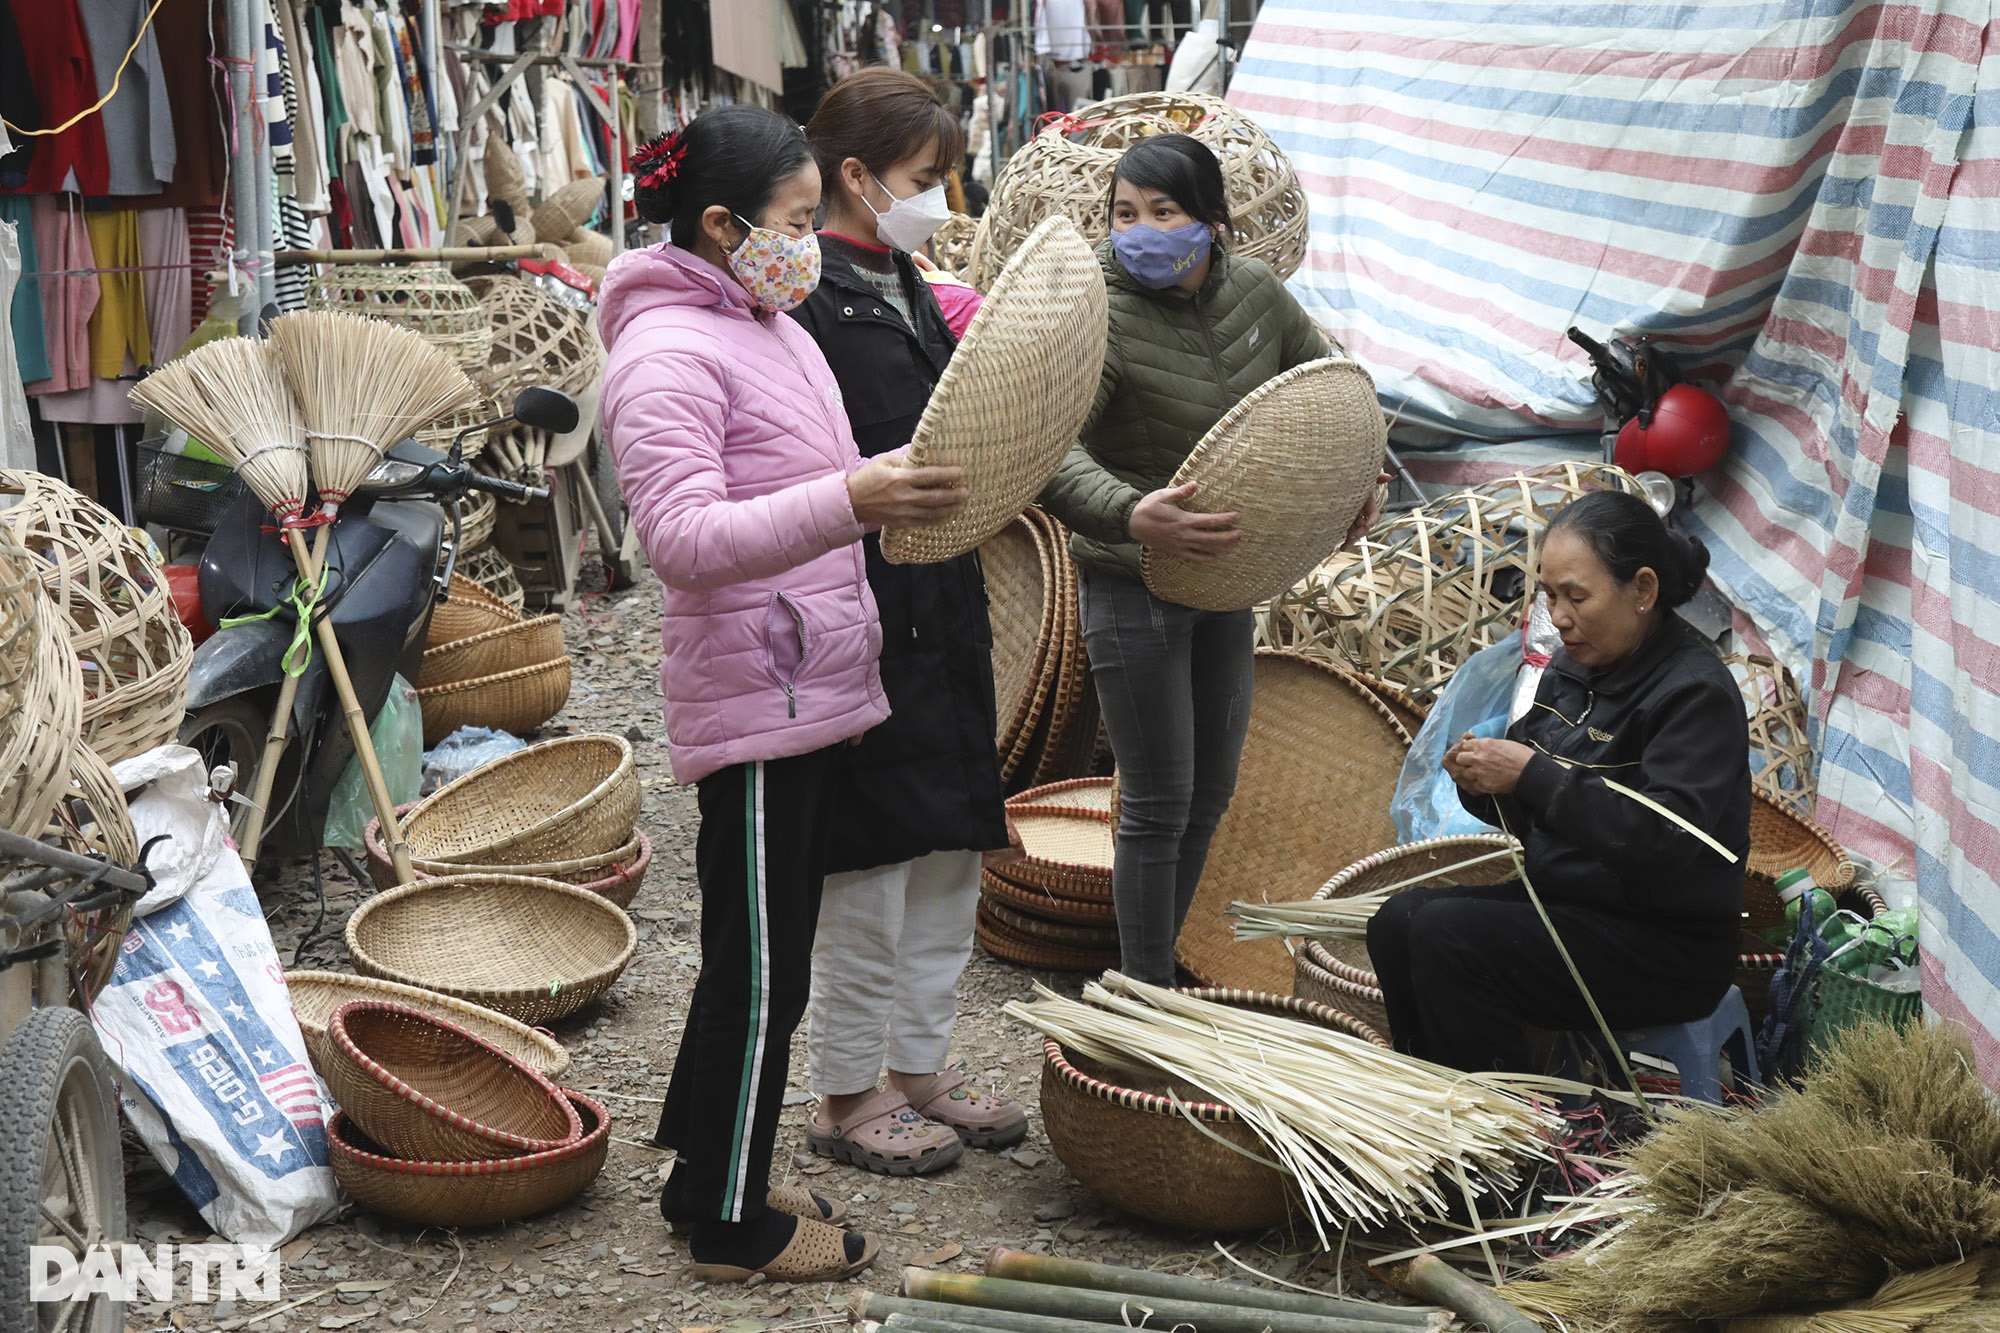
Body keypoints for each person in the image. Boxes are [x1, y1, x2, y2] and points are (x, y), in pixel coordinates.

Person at [597, 105, 967, 1284]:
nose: (810, 243)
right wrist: (855, 499)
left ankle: (702, 1169)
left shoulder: (764, 320)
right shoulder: (664, 354)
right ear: (721, 224)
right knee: (762, 967)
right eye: (798, 221)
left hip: (804, 680)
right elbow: (682, 538)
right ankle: (729, 1227)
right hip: (755, 696)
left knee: (757, 952)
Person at [1038, 134, 1381, 985]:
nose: (1141, 230)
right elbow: (1054, 448)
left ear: (1213, 222)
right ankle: (1145, 988)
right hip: (1134, 579)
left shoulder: (1258, 293)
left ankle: (1157, 963)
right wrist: (1131, 512)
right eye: (1125, 214)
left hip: (1228, 576)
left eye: (1164, 212)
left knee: (1209, 794)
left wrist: (1355, 475)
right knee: (1155, 803)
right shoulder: (1102, 311)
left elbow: (1331, 386)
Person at [788, 67, 1027, 1177]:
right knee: (869, 866)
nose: (939, 197)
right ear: (854, 176)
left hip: (945, 604)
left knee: (946, 853)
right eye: (925, 178)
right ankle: (844, 1094)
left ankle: (920, 1067)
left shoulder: (912, 284)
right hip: (860, 611)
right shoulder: (797, 299)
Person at [1365, 491, 1751, 1073]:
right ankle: (1432, 1107)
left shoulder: (1694, 693)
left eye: (1577, 596)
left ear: (1643, 591)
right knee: (1396, 923)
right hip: (1571, 907)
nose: (1559, 617)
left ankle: (1506, 1137)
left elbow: (1663, 841)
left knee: (1448, 937)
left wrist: (1528, 773)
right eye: (1549, 594)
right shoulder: (1577, 664)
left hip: (1663, 945)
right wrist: (1482, 782)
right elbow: (1538, 810)